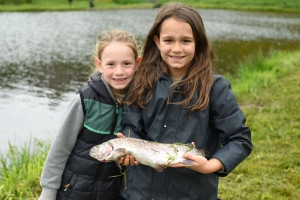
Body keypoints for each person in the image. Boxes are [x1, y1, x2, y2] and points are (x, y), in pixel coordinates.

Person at [118, 2, 253, 200]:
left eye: (186, 41)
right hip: (141, 192)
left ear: (198, 42)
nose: (177, 49)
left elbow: (240, 139)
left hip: (194, 193)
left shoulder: (216, 88)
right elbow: (130, 128)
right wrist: (128, 151)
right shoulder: (139, 82)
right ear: (157, 41)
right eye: (169, 40)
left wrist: (210, 166)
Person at [39, 29, 141, 200]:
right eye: (111, 64)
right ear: (99, 64)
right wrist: (48, 191)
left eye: (126, 64)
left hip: (113, 193)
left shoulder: (141, 101)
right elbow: (61, 147)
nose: (119, 72)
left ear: (137, 63)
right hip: (72, 191)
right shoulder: (86, 98)